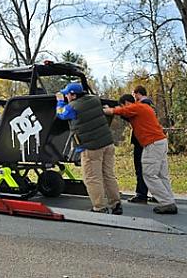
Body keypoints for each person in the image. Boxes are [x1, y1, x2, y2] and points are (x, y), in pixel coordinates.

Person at [56, 82, 122, 215]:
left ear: (73, 95)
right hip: (107, 143)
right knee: (108, 175)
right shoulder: (94, 100)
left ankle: (99, 207)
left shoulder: (72, 107)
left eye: (67, 94)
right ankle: (116, 204)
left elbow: (61, 114)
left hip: (91, 147)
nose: (66, 97)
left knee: (92, 178)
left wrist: (59, 102)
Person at [104, 94, 177, 214]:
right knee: (161, 174)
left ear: (127, 103)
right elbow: (127, 115)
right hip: (160, 141)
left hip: (152, 143)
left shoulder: (138, 107)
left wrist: (108, 111)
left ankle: (167, 202)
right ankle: (169, 200)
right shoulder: (142, 109)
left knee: (149, 174)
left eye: (123, 105)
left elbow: (123, 111)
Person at [129, 85, 155, 204]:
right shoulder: (150, 104)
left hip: (141, 142)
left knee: (140, 168)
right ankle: (158, 194)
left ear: (137, 93)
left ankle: (141, 194)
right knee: (154, 169)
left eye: (134, 95)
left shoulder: (142, 105)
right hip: (150, 140)